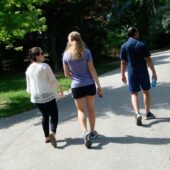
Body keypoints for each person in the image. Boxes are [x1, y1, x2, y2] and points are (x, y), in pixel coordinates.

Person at [62, 31, 104, 148]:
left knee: (80, 110)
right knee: (91, 109)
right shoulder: (86, 52)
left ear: (69, 41)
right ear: (80, 39)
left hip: (76, 86)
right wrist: (98, 86)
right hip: (89, 84)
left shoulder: (66, 55)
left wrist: (74, 76)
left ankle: (84, 132)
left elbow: (66, 74)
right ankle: (92, 132)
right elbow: (92, 70)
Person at [26, 47, 64, 148]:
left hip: (36, 97)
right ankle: (52, 133)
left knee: (45, 116)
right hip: (47, 94)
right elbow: (53, 80)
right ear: (36, 56)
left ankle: (47, 137)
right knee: (54, 114)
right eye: (41, 53)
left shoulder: (29, 69)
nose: (43, 55)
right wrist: (60, 92)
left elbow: (29, 87)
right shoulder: (44, 66)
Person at [120, 27, 157, 126]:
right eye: (138, 32)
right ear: (135, 33)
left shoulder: (124, 46)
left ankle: (137, 113)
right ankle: (148, 113)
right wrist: (153, 72)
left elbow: (123, 62)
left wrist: (123, 74)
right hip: (143, 72)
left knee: (134, 93)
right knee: (146, 92)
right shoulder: (141, 44)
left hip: (132, 73)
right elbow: (148, 59)